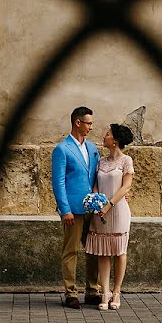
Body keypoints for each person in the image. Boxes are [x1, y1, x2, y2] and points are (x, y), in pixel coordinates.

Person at [51, 106, 102, 309]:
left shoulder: (92, 149)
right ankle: (71, 293)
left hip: (92, 210)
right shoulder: (62, 149)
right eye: (88, 123)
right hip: (73, 209)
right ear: (77, 123)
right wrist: (65, 210)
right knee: (71, 251)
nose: (91, 127)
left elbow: (97, 176)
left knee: (93, 251)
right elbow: (58, 182)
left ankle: (92, 291)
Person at [85, 123, 135, 311]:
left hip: (118, 210)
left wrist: (109, 205)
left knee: (119, 251)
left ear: (115, 141)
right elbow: (96, 184)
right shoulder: (101, 161)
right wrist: (96, 200)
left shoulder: (126, 161)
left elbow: (126, 187)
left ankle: (116, 291)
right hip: (100, 211)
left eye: (107, 134)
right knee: (103, 251)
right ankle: (104, 292)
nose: (104, 136)